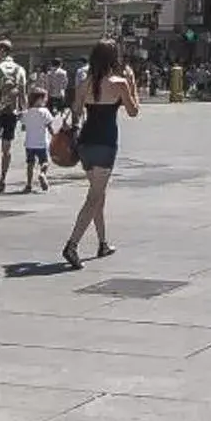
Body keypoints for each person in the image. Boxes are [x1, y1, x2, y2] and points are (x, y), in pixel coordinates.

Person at [61, 40, 139, 269]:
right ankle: (72, 244)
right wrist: (132, 84)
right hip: (105, 142)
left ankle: (103, 242)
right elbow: (133, 111)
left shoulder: (85, 83)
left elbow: (76, 110)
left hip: (85, 142)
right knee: (94, 197)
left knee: (98, 194)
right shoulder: (119, 83)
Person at [0, 40, 29, 193]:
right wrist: (25, 113)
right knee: (7, 147)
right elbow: (23, 94)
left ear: (3, 51)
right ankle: (3, 178)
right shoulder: (20, 69)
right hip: (12, 113)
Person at [19, 86, 58, 193]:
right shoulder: (45, 112)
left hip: (29, 143)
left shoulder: (26, 113)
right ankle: (42, 174)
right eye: (45, 98)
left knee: (30, 164)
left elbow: (23, 127)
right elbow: (50, 126)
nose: (46, 100)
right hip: (42, 143)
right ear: (40, 99)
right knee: (45, 162)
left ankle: (29, 184)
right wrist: (54, 136)